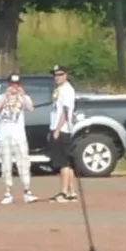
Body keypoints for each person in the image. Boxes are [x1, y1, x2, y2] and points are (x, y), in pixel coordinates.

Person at [0, 74, 34, 204]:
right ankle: (7, 192)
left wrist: (21, 95)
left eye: (16, 84)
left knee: (23, 162)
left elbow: (31, 108)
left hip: (19, 135)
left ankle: (27, 191)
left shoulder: (24, 97)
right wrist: (6, 96)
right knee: (6, 163)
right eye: (12, 84)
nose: (14, 87)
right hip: (4, 135)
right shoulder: (0, 97)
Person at [50, 66, 80, 205]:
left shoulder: (67, 91)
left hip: (62, 130)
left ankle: (63, 192)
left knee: (63, 163)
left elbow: (66, 112)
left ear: (66, 75)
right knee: (67, 163)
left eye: (60, 74)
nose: (57, 77)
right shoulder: (59, 90)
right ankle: (71, 192)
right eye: (55, 75)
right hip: (58, 128)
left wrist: (57, 129)